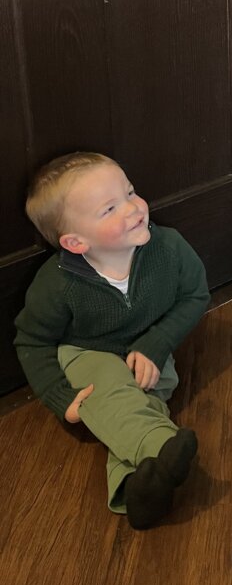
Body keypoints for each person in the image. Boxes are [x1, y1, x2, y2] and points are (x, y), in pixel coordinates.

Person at [14, 152, 210, 530]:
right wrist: (59, 397)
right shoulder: (57, 284)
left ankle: (133, 488)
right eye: (110, 209)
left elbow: (195, 295)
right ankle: (161, 447)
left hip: (147, 348)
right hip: (88, 353)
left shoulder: (168, 247)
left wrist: (157, 343)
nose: (134, 208)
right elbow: (32, 341)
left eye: (130, 192)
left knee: (139, 401)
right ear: (75, 242)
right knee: (111, 393)